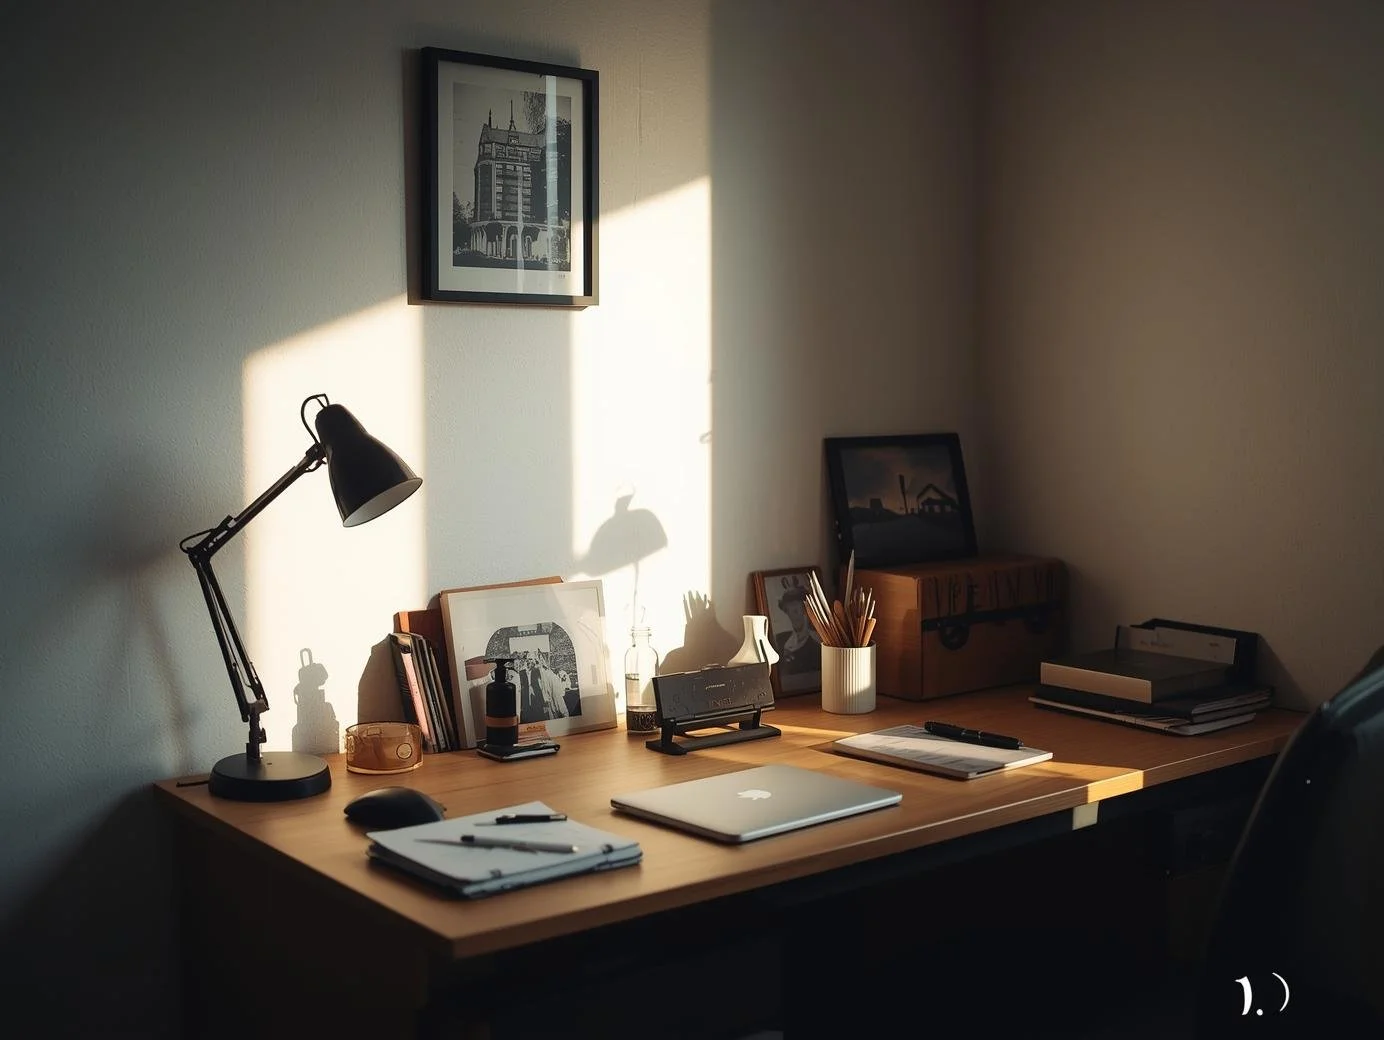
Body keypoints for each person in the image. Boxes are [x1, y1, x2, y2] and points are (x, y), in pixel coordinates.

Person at [774, 584, 821, 677]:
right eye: (789, 611)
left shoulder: (816, 645)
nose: (793, 617)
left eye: (796, 611)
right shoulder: (781, 640)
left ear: (806, 611)